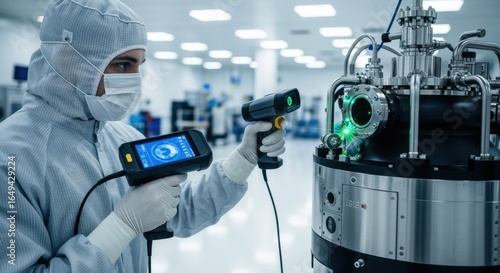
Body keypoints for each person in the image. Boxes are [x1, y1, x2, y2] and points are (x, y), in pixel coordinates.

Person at [0, 0, 287, 272]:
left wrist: (244, 159)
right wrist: (121, 227)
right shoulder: (9, 157)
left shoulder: (124, 137)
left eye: (139, 65)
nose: (135, 80)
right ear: (68, 61)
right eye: (123, 65)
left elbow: (178, 211)